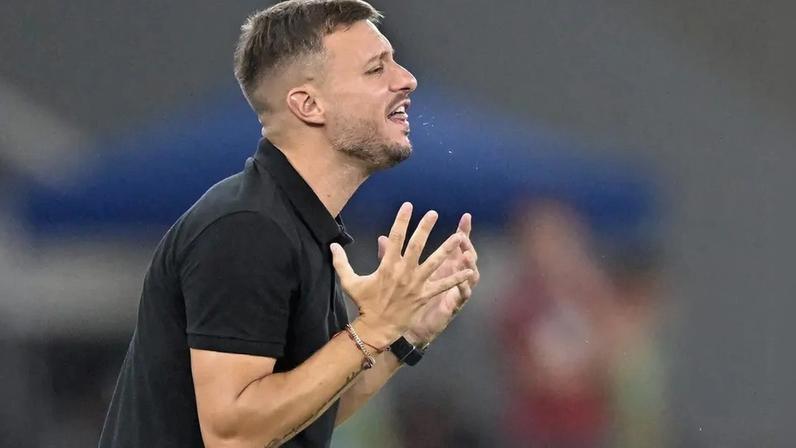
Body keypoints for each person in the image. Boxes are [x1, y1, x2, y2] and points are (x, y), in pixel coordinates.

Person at [98, 1, 480, 447]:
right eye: (376, 69)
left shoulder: (299, 224)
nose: (407, 79)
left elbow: (306, 411)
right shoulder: (247, 228)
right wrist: (371, 329)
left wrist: (403, 333)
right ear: (308, 104)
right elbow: (233, 435)